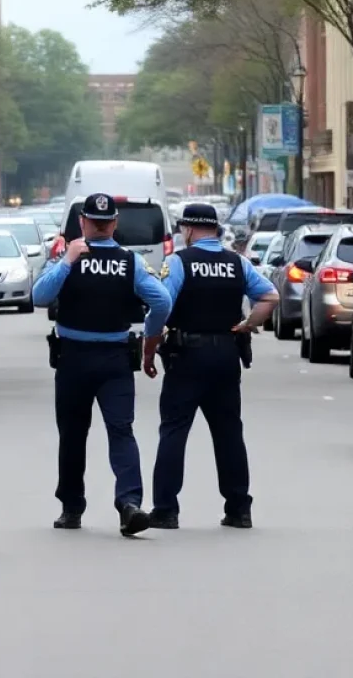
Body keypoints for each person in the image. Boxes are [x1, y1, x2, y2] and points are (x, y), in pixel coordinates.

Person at [32, 192, 172, 537]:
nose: (97, 226)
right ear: (85, 222)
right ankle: (88, 505)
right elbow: (39, 297)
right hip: (88, 357)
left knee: (107, 431)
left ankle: (122, 505)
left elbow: (163, 301)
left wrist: (149, 341)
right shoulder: (125, 260)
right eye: (95, 221)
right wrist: (67, 261)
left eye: (102, 221)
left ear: (111, 224)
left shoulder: (122, 260)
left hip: (97, 357)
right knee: (86, 433)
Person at [145, 202, 278, 530]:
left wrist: (149, 347)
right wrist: (247, 324)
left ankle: (165, 509)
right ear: (215, 228)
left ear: (188, 229)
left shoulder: (179, 261)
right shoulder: (237, 263)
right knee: (229, 432)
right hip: (225, 357)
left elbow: (162, 304)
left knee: (174, 431)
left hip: (186, 356)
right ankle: (239, 508)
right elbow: (270, 296)